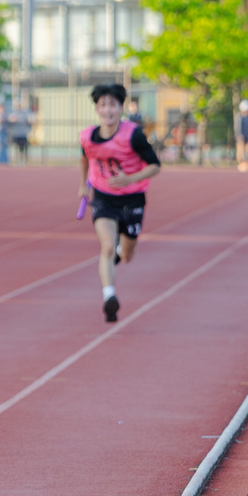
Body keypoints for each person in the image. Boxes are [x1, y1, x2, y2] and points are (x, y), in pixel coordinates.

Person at [79, 82, 162, 323]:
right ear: (97, 108)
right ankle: (109, 297)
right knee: (106, 246)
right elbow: (85, 158)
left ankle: (119, 251)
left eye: (112, 105)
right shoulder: (87, 136)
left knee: (126, 254)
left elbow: (155, 166)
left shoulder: (133, 135)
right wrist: (82, 185)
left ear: (120, 108)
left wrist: (129, 178)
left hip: (133, 199)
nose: (108, 110)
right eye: (103, 105)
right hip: (104, 198)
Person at [236, 100, 248, 171]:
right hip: (241, 136)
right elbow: (238, 127)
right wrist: (239, 135)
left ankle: (247, 164)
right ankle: (241, 164)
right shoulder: (239, 117)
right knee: (240, 150)